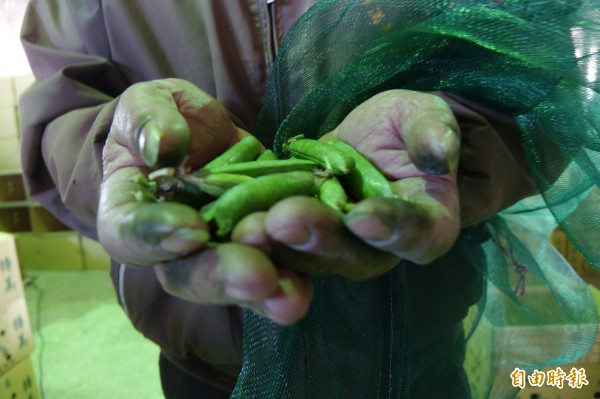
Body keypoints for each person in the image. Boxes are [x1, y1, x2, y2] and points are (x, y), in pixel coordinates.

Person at [18, 1, 555, 398]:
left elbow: (540, 87)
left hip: (413, 347)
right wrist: (115, 148)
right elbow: (61, 105)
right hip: (205, 357)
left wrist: (459, 140)